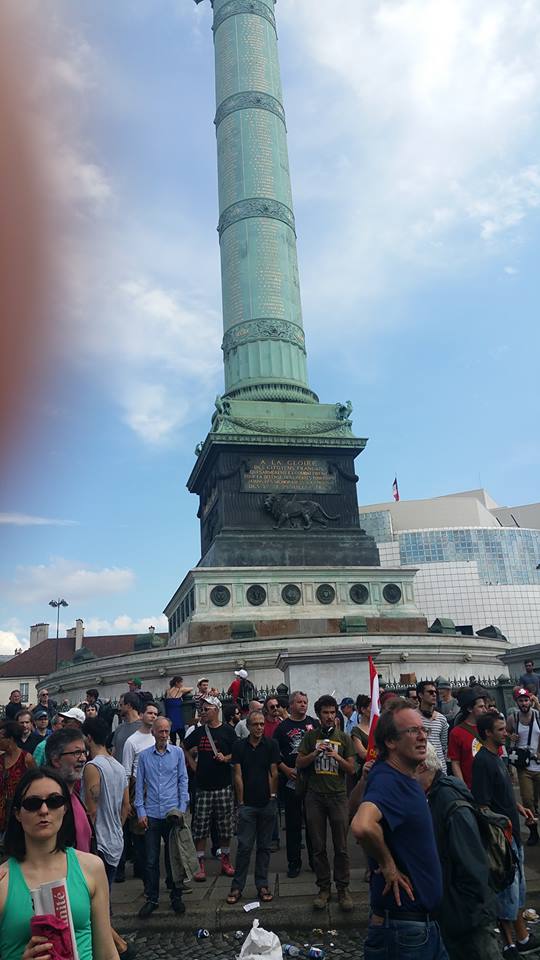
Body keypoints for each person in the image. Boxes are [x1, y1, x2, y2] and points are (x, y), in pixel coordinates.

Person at [352, 699, 448, 960]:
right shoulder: (389, 780)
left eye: (423, 730)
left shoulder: (398, 776)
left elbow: (354, 808)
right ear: (391, 742)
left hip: (418, 926)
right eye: (413, 731)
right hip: (404, 931)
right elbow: (361, 825)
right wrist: (388, 864)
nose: (422, 736)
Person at [0, 768, 118, 960]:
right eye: (32, 804)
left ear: (65, 808)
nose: (44, 810)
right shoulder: (3, 881)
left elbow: (106, 953)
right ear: (18, 813)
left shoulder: (91, 867)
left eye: (54, 801)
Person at [417, 743, 502, 960]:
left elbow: (472, 868)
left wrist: (459, 917)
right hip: (457, 912)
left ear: (422, 767)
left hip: (468, 918)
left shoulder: (449, 801)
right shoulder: (434, 796)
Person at [472, 712, 540, 959]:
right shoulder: (482, 761)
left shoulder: (498, 757)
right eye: (500, 730)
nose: (506, 733)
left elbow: (503, 794)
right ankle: (508, 943)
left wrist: (519, 808)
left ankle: (522, 938)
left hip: (513, 835)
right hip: (501, 840)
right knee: (505, 892)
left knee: (517, 891)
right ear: (488, 733)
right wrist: (503, 826)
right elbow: (482, 805)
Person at [297, 694, 355, 911]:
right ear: (319, 715)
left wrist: (336, 756)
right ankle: (323, 888)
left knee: (341, 846)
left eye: (332, 712)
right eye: (325, 713)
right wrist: (315, 753)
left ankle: (343, 888)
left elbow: (351, 769)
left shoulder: (344, 738)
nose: (329, 716)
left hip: (338, 796)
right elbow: (299, 762)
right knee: (318, 845)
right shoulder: (311, 737)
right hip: (315, 796)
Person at [135, 715, 189, 917]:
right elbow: (139, 785)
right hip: (152, 812)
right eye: (161, 731)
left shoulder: (177, 753)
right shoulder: (144, 756)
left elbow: (183, 780)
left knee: (173, 857)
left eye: (167, 731)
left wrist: (182, 808)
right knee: (151, 860)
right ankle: (152, 897)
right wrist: (140, 810)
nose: (164, 735)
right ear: (153, 732)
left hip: (171, 812)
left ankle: (176, 896)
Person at [226, 711, 279, 904]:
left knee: (264, 847)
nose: (259, 727)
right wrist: (240, 801)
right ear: (248, 726)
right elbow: (237, 775)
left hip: (266, 802)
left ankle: (262, 884)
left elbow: (274, 772)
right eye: (255, 724)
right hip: (247, 804)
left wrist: (272, 796)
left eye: (262, 724)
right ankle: (237, 886)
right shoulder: (239, 746)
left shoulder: (271, 745)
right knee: (244, 847)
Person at [183, 696, 236, 881]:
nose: (203, 712)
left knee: (225, 827)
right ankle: (200, 863)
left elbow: (236, 752)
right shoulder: (199, 732)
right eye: (202, 709)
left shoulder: (228, 731)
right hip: (203, 787)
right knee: (200, 827)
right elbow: (184, 747)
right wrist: (193, 765)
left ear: (217, 710)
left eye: (207, 709)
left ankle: (225, 860)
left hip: (223, 785)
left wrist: (226, 758)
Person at [82, 718, 130, 889]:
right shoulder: (119, 767)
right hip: (115, 839)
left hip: (98, 841)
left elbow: (91, 810)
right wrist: (117, 827)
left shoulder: (92, 767)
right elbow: (126, 806)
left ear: (89, 738)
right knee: (105, 891)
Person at [274, 690, 316, 878]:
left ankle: (315, 860)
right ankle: (294, 862)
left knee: (313, 823)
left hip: (312, 780)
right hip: (291, 780)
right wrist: (285, 769)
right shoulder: (282, 728)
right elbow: (275, 754)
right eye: (299, 702)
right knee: (293, 823)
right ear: (291, 705)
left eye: (305, 702)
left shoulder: (314, 724)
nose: (303, 705)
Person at [45, 728, 93, 854]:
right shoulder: (49, 802)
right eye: (76, 753)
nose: (83, 758)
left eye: (84, 752)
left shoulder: (73, 796)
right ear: (56, 760)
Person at [506, 688, 540, 845]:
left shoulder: (537, 716)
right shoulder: (513, 718)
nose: (524, 703)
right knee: (527, 800)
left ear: (530, 701)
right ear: (516, 702)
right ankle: (533, 832)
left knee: (536, 800)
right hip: (523, 766)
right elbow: (505, 733)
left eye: (526, 700)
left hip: (538, 763)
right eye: (521, 700)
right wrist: (510, 736)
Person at [0, 721, 35, 838]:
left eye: (1, 738)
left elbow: (35, 781)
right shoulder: (1, 759)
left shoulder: (26, 759)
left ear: (10, 739)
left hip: (18, 810)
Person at [448, 687, 487, 788]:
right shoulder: (456, 733)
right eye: (481, 707)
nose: (485, 710)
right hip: (471, 787)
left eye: (484, 706)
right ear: (470, 709)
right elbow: (455, 762)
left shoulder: (489, 728)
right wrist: (463, 787)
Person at [417, 680, 448, 766]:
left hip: (440, 766)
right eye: (430, 692)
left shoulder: (442, 719)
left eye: (435, 692)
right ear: (421, 695)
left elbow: (444, 746)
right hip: (421, 765)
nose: (434, 695)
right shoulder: (412, 717)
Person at [111, 693, 142, 765]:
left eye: (121, 705)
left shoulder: (144, 727)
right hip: (119, 770)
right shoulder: (119, 728)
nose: (119, 708)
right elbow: (114, 752)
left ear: (128, 706)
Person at [164, 676, 192, 744]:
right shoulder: (180, 690)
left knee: (173, 739)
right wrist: (183, 688)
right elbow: (191, 688)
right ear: (177, 683)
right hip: (177, 717)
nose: (182, 684)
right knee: (183, 737)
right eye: (181, 682)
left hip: (169, 717)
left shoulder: (167, 690)